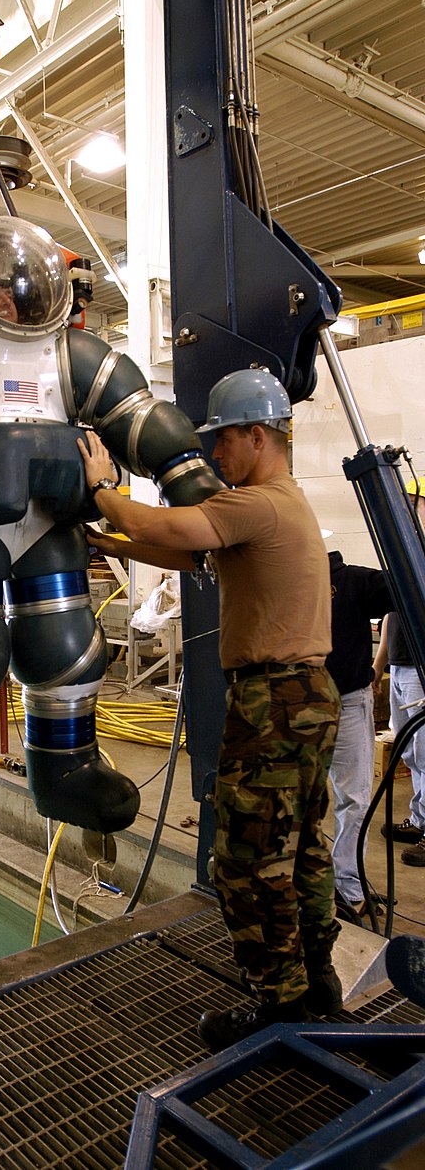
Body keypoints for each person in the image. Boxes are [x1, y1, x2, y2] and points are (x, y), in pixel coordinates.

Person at [79, 368, 342, 1051]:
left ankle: (276, 1003)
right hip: (308, 697)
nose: (215, 456)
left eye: (224, 440)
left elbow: (156, 518)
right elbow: (179, 546)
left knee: (246, 860)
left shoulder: (254, 503)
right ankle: (319, 984)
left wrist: (103, 488)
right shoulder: (283, 505)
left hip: (273, 702)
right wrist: (106, 544)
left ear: (259, 435)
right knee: (305, 850)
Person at [325, 551, 391, 917]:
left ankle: (347, 886)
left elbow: (402, 586)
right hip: (301, 703)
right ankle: (326, 885)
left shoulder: (353, 580)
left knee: (353, 798)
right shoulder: (285, 577)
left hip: (347, 701)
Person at [374, 610, 425, 866]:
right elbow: (389, 617)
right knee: (410, 753)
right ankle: (419, 821)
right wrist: (379, 663)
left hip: (420, 668)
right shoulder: (402, 572)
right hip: (399, 666)